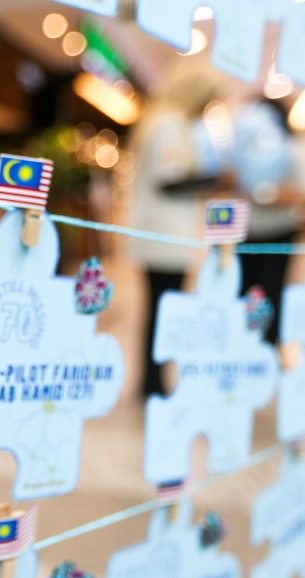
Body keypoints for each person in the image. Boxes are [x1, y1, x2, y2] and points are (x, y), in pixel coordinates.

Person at [128, 64, 221, 398]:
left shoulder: (161, 120)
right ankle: (153, 385)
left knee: (158, 307)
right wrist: (215, 180)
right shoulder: (169, 124)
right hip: (164, 234)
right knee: (163, 309)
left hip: (161, 232)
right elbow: (170, 180)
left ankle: (152, 382)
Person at [230, 98, 305, 344]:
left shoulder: (295, 147)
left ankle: (268, 347)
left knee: (271, 290)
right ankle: (246, 346)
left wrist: (268, 193)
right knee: (247, 291)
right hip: (248, 230)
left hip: (280, 229)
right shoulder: (243, 146)